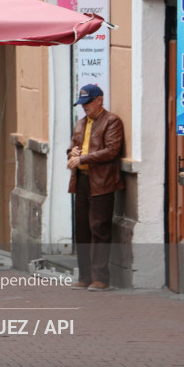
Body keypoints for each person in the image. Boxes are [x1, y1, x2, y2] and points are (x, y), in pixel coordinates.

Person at [67, 84, 125, 292]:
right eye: (82, 104)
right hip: (82, 180)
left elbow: (111, 151)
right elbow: (74, 147)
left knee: (99, 228)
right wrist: (72, 153)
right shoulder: (81, 123)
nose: (85, 107)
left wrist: (81, 157)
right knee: (82, 229)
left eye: (88, 103)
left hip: (102, 181)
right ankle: (84, 277)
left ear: (99, 100)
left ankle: (100, 278)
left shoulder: (112, 121)